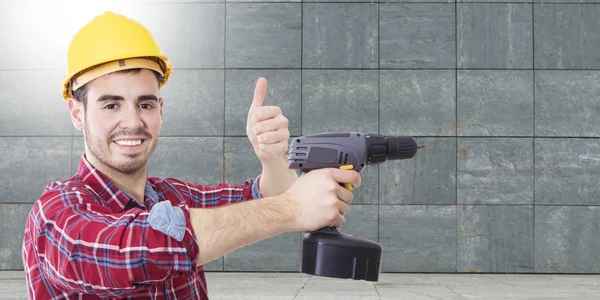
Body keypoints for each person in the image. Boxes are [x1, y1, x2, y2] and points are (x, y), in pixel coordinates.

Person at [20, 10, 360, 300]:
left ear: (161, 109)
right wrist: (290, 209)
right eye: (111, 104)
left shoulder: (171, 197)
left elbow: (262, 196)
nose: (133, 122)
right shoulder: (55, 213)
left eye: (145, 104)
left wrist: (271, 156)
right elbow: (141, 249)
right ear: (77, 113)